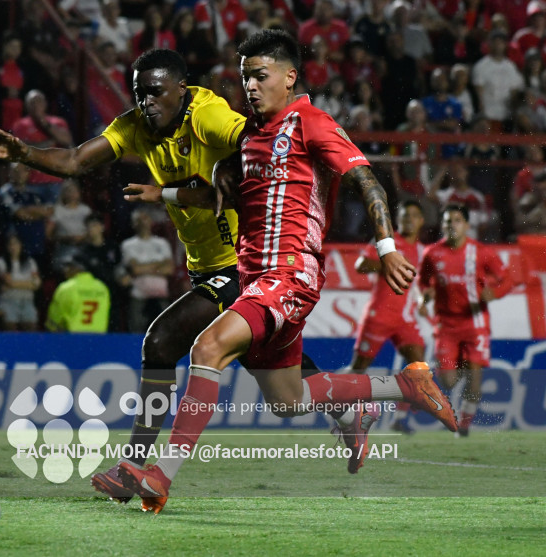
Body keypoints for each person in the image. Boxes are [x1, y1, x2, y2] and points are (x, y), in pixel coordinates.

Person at [117, 29, 457, 514]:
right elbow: (221, 193)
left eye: (260, 76)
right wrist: (169, 193)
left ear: (289, 76)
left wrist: (386, 245)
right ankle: (402, 386)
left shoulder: (311, 123)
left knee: (207, 347)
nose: (250, 87)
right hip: (256, 279)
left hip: (290, 274)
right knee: (288, 397)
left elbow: (366, 179)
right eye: (245, 78)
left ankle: (159, 476)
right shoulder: (253, 137)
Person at [0, 48, 248, 503]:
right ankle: (354, 405)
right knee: (288, 387)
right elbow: (76, 160)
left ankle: (134, 467)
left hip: (243, 262)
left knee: (160, 343)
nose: (147, 103)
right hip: (206, 265)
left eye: (157, 92)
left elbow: (260, 141)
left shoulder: (208, 114)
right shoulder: (135, 125)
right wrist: (25, 153)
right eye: (140, 93)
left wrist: (222, 173)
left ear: (182, 89)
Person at [418, 205, 512, 437]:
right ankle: (462, 365)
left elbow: (506, 279)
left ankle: (464, 426)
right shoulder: (432, 253)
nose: (452, 225)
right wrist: (425, 296)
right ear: (442, 225)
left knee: (474, 377)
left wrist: (495, 293)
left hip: (475, 323)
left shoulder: (481, 252)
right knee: (448, 381)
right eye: (448, 221)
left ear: (467, 225)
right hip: (446, 325)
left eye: (458, 220)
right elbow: (423, 281)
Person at [348, 200, 427, 435]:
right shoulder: (387, 243)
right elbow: (360, 265)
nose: (408, 220)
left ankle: (399, 419)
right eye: (404, 215)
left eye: (414, 215)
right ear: (397, 220)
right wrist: (388, 263)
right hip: (379, 315)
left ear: (421, 221)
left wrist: (423, 300)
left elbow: (420, 283)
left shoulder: (423, 251)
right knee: (359, 368)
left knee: (419, 366)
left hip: (404, 319)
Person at [118, 209, 174, 333]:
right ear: (133, 224)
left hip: (161, 295)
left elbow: (169, 269)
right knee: (136, 331)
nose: (143, 223)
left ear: (151, 222)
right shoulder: (128, 244)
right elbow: (135, 269)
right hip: (138, 296)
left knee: (163, 332)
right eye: (139, 220)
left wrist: (142, 267)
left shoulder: (162, 243)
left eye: (145, 218)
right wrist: (158, 265)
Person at [46, 253, 110, 333]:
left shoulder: (66, 288)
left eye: (68, 266)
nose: (65, 270)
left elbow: (54, 320)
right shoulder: (102, 288)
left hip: (72, 340)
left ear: (77, 268)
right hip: (98, 340)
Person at [0, 234, 41, 331]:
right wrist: (29, 284)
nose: (13, 247)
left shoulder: (30, 262)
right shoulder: (0, 262)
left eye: (15, 244)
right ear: (6, 246)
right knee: (11, 333)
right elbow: (10, 283)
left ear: (21, 245)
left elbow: (37, 284)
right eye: (10, 244)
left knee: (31, 331)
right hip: (8, 301)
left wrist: (15, 284)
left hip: (27, 301)